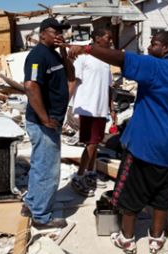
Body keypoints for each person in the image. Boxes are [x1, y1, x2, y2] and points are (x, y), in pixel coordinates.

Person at [68, 31, 168, 254]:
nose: (148, 47)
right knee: (160, 193)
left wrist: (87, 49)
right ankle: (156, 238)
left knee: (130, 193)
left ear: (166, 49)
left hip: (143, 145)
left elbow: (123, 58)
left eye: (153, 44)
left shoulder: (157, 67)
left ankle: (127, 239)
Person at [21, 17, 74, 229]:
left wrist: (64, 54)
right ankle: (41, 217)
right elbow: (30, 86)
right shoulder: (37, 56)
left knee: (39, 166)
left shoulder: (54, 55)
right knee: (48, 170)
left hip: (51, 121)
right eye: (55, 32)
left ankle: (31, 204)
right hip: (43, 123)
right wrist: (44, 118)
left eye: (61, 32)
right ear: (43, 33)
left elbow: (71, 77)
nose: (59, 35)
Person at [70, 28, 116, 197]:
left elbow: (109, 86)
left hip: (100, 108)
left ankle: (90, 172)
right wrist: (67, 105)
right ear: (97, 39)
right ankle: (79, 176)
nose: (110, 40)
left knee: (95, 142)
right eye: (107, 37)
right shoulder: (83, 57)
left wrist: (111, 108)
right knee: (92, 143)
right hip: (87, 107)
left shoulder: (105, 59)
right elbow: (74, 81)